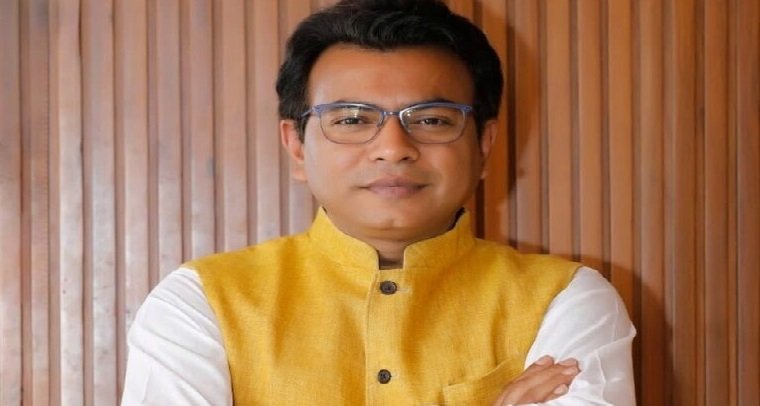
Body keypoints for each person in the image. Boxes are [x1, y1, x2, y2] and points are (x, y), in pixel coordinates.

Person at [121, 0, 635, 404]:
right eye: (352, 119)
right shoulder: (199, 303)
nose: (393, 148)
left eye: (431, 119)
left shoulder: (568, 301)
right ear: (296, 147)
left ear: (483, 145)